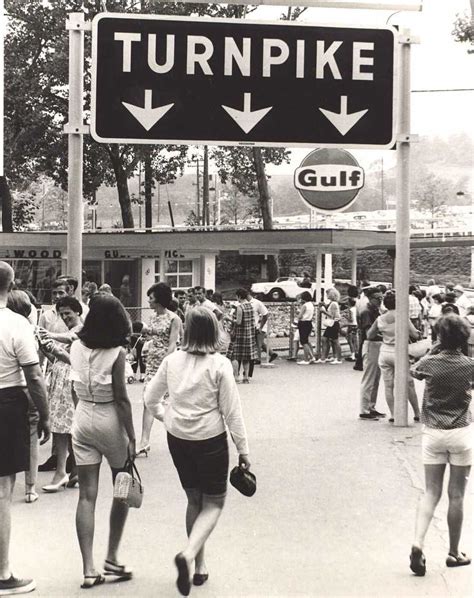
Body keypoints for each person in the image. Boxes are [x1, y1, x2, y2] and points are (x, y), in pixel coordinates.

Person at [144, 307, 251, 597]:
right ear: (214, 331)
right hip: (210, 440)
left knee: (194, 499)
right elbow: (232, 412)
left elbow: (149, 397)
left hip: (178, 438)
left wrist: (164, 416)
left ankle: (200, 565)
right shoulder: (220, 365)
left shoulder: (171, 361)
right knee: (214, 503)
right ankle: (190, 555)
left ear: (188, 331)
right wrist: (243, 449)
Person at [69, 294, 136, 589]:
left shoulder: (75, 346)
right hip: (110, 418)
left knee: (86, 496)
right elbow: (122, 399)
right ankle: (111, 556)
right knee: (122, 487)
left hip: (83, 415)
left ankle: (88, 568)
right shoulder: (117, 352)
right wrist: (133, 436)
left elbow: (73, 386)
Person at [0, 261, 50, 595]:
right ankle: (3, 573)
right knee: (3, 488)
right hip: (6, 403)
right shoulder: (16, 324)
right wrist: (44, 415)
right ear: (12, 283)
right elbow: (33, 375)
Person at [409, 314, 473, 576]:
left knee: (430, 493)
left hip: (433, 433)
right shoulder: (470, 365)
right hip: (460, 432)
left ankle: (418, 542)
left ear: (438, 337)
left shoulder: (429, 363)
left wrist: (435, 348)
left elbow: (414, 369)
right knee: (456, 495)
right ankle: (454, 552)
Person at [39, 296, 83, 492]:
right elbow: (58, 359)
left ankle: (62, 472)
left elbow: (71, 359)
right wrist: (46, 347)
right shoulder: (70, 331)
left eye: (68, 313)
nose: (65, 317)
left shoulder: (81, 330)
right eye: (62, 314)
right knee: (64, 427)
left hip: (70, 381)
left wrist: (49, 338)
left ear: (78, 312)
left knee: (63, 427)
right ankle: (74, 471)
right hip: (60, 379)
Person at [6, 290, 42, 504]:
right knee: (31, 436)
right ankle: (30, 487)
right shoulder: (30, 330)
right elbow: (35, 371)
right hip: (26, 388)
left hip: (6, 389)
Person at [136, 283, 180, 455]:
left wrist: (166, 363)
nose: (149, 301)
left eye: (151, 298)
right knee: (148, 400)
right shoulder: (153, 317)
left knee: (167, 402)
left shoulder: (174, 318)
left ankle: (178, 433)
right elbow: (151, 336)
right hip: (151, 361)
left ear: (160, 299)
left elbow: (172, 344)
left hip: (165, 363)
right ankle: (144, 441)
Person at [367, 291, 421, 423]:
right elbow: (415, 335)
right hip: (400, 352)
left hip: (385, 352)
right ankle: (417, 413)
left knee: (388, 385)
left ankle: (393, 414)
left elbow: (369, 335)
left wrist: (384, 335)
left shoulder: (380, 319)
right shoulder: (403, 316)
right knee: (408, 384)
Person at [358, 287, 386, 420]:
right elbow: (370, 333)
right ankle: (364, 409)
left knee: (376, 379)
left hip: (377, 345)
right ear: (370, 298)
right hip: (371, 345)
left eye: (381, 298)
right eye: (377, 298)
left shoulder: (376, 311)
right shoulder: (367, 312)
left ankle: (371, 406)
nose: (380, 301)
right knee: (369, 378)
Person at [229, 289, 257, 384]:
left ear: (239, 296)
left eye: (236, 296)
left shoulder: (240, 307)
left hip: (240, 334)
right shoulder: (250, 306)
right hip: (249, 334)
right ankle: (246, 377)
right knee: (246, 357)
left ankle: (236, 376)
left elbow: (238, 322)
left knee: (235, 356)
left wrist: (229, 319)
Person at [318, 288, 342, 364]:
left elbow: (333, 315)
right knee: (328, 339)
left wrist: (323, 311)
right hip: (333, 323)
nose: (326, 295)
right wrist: (325, 306)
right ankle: (329, 357)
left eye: (327, 294)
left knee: (334, 340)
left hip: (333, 323)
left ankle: (338, 358)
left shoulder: (334, 304)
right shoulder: (333, 303)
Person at [296, 291, 316, 365]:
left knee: (303, 341)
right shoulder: (311, 305)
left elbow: (300, 316)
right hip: (309, 322)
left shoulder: (304, 305)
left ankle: (306, 359)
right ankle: (312, 356)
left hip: (303, 323)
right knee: (307, 340)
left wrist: (297, 315)